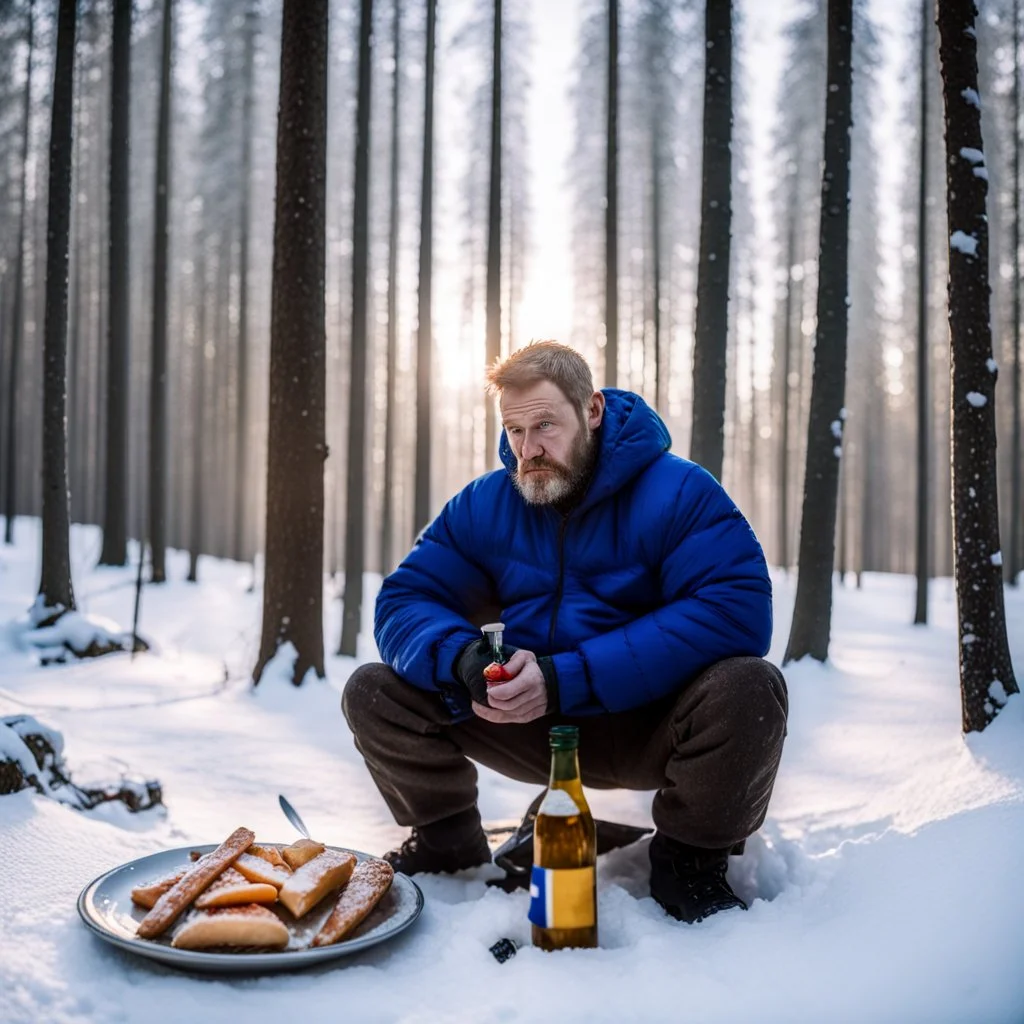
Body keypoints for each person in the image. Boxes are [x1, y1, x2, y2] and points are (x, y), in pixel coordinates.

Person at [343, 341, 788, 924]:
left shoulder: (681, 491)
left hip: (650, 726)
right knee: (374, 690)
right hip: (526, 724)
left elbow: (737, 610)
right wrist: (465, 659)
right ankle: (446, 842)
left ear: (593, 410)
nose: (529, 449)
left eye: (546, 425)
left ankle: (689, 865)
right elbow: (404, 599)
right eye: (515, 429)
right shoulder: (484, 504)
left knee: (750, 688)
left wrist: (564, 677)